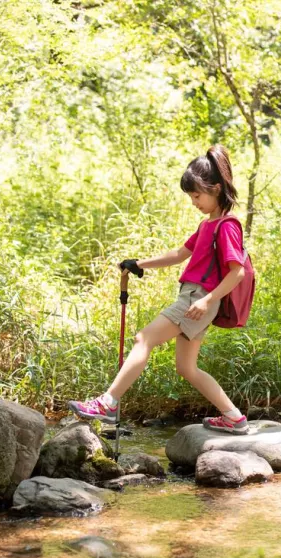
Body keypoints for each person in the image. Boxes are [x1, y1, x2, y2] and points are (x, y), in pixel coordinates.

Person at [68, 145, 250, 434]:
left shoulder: (227, 226)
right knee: (186, 368)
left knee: (144, 339)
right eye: (191, 196)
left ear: (216, 188)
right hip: (194, 298)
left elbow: (237, 272)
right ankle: (234, 417)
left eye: (197, 195)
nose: (194, 202)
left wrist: (207, 300)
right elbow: (179, 254)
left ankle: (108, 403)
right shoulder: (208, 226)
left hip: (197, 298)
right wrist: (138, 263)